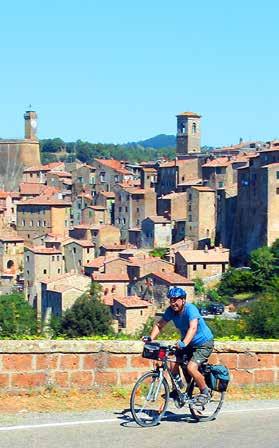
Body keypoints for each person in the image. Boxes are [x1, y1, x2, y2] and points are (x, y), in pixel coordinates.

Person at [149, 286, 214, 405]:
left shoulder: (191, 309)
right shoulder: (171, 311)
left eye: (176, 300)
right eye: (171, 300)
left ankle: (205, 392)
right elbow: (160, 325)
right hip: (188, 342)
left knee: (191, 367)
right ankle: (178, 388)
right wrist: (150, 338)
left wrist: (183, 343)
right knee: (171, 360)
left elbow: (193, 328)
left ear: (183, 300)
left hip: (203, 343)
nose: (173, 303)